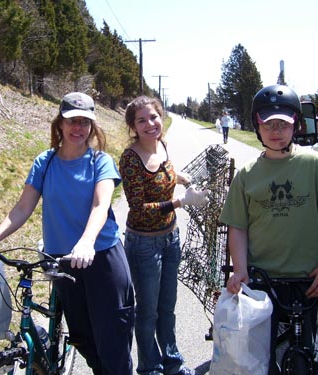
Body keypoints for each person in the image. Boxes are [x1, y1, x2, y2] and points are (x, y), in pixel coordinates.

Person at [0, 92, 135, 375]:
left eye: (84, 122)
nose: (78, 128)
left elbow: (100, 204)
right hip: (62, 261)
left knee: (113, 342)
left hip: (101, 257)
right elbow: (21, 209)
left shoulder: (100, 162)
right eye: (72, 121)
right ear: (60, 124)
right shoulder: (45, 162)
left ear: (92, 127)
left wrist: (86, 242)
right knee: (84, 339)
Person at [219, 85, 318, 375]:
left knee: (307, 349)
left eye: (283, 123)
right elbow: (237, 227)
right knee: (260, 357)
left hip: (308, 278)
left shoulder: (314, 164)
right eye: (268, 124)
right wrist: (240, 270)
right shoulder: (247, 174)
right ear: (257, 126)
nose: (275, 131)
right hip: (262, 279)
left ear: (296, 126)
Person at [119, 96, 209, 375]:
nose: (150, 124)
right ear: (133, 126)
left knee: (167, 308)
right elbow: (139, 208)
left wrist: (179, 176)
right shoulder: (131, 158)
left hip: (171, 239)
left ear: (161, 117)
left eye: (154, 117)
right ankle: (150, 369)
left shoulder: (162, 146)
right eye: (141, 120)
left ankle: (172, 363)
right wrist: (182, 202)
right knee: (148, 313)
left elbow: (165, 169)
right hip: (144, 244)